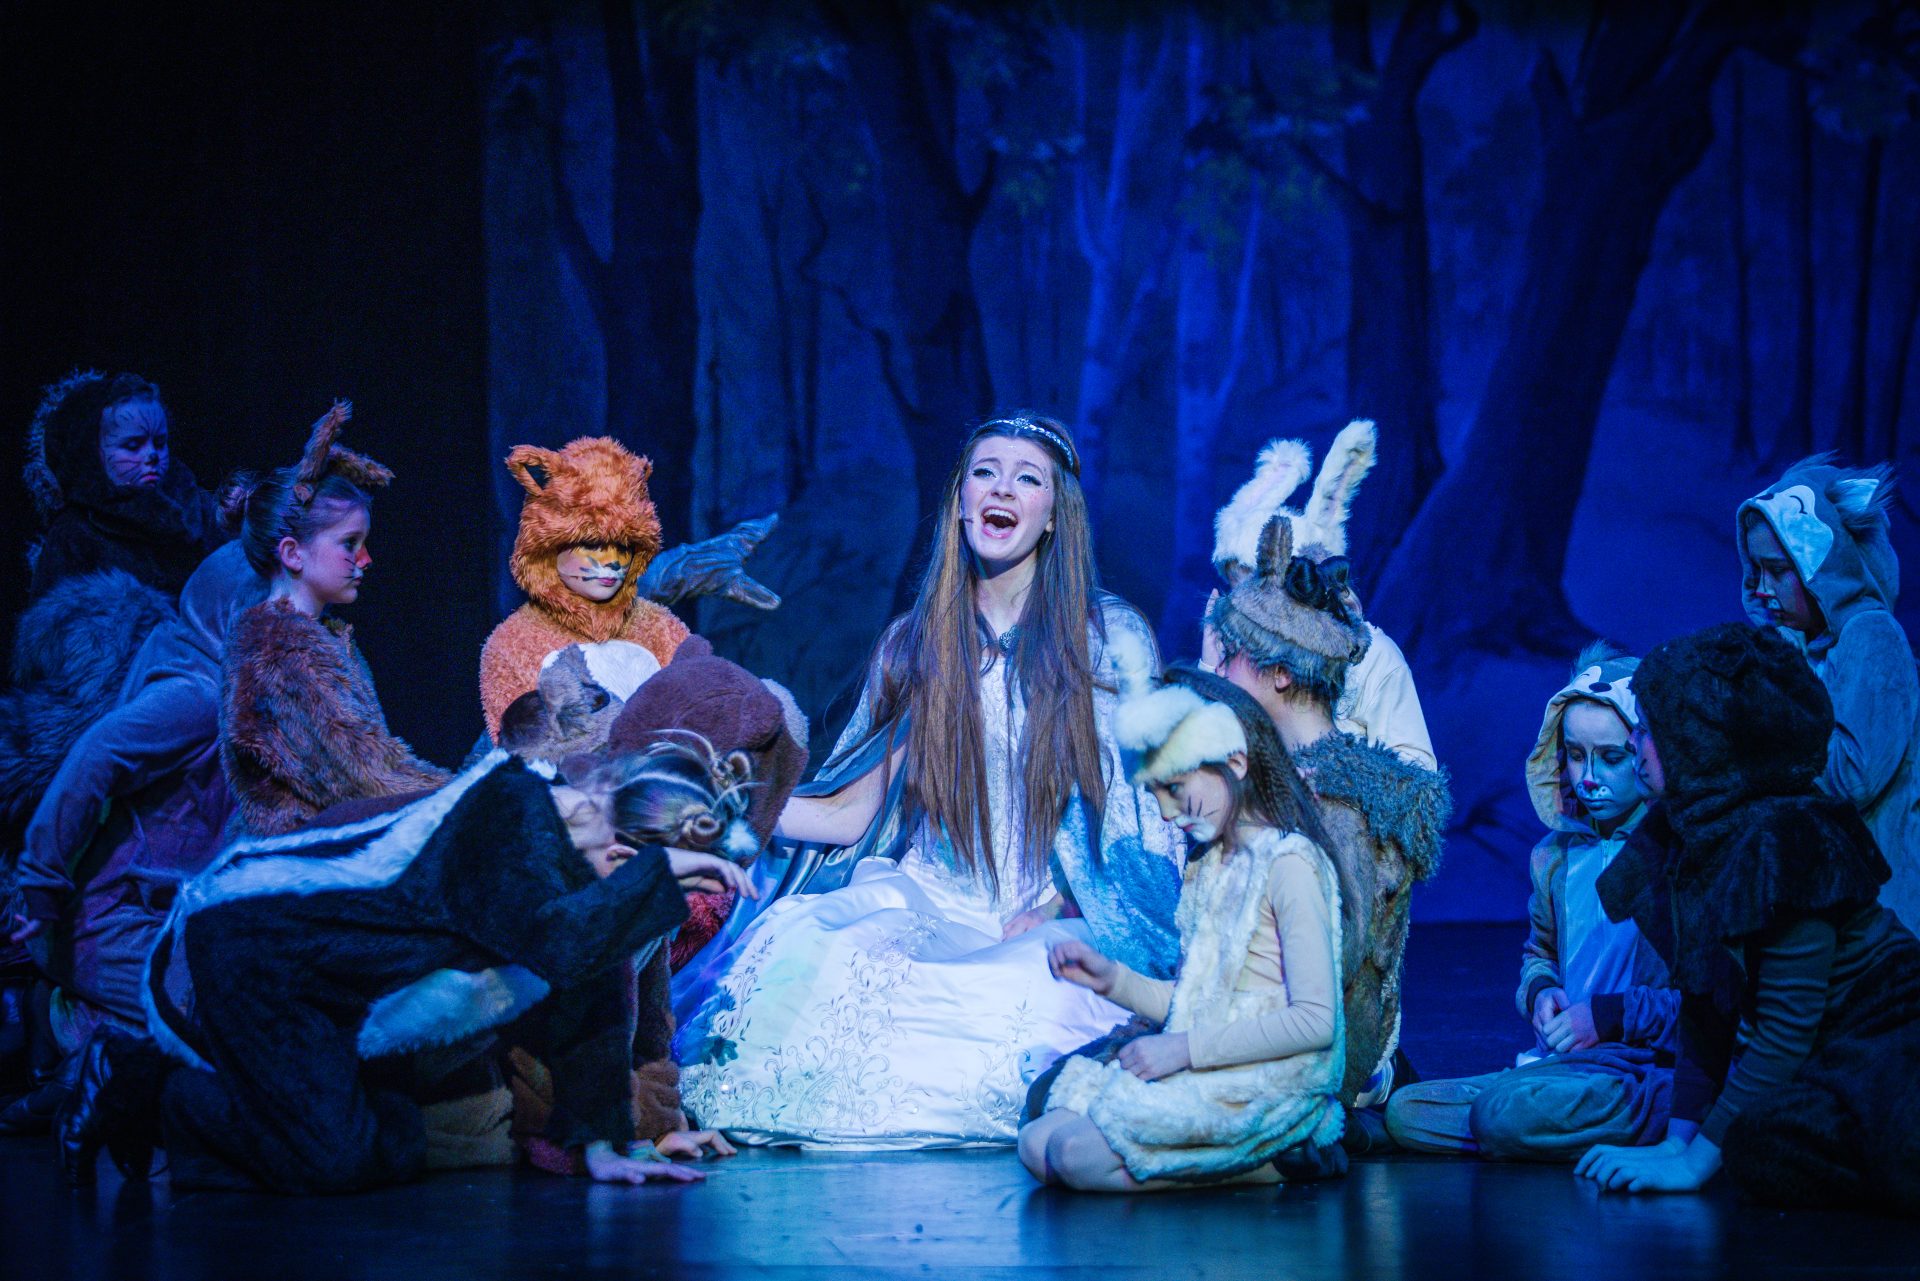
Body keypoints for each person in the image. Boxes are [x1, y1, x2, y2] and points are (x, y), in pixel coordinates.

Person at [674, 413, 1183, 1147]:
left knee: (1042, 985)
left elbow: (1134, 814)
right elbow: (849, 812)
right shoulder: (914, 644)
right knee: (814, 944)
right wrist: (726, 806)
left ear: (1052, 516)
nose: (1001, 488)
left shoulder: (1106, 639)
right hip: (931, 892)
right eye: (985, 472)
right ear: (961, 500)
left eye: (1027, 478)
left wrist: (1064, 901)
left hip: (1046, 903)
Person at [57, 739, 758, 1192]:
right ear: (623, 845)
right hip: (261, 945)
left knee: (378, 1149)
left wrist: (604, 1143)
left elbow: (593, 1000)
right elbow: (559, 943)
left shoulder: (586, 874)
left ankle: (264, 1110)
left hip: (343, 984)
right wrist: (660, 876)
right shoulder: (511, 816)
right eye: (641, 868)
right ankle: (141, 1081)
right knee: (333, 1162)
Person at [1579, 623, 1920, 1214]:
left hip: (1890, 1033)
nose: (1635, 742)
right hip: (1829, 1052)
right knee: (1762, 1143)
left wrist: (1694, 1163)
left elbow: (1788, 1025)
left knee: (1786, 1144)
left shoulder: (1785, 834)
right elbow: (1705, 1005)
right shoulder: (1691, 828)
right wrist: (1677, 1143)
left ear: (1699, 740)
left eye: (1651, 729)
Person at [1020, 654, 1346, 1191]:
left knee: (1074, 1157)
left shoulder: (1290, 863)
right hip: (1212, 1063)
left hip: (1266, 1081)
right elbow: (1195, 1000)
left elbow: (1315, 1021)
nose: (1167, 813)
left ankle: (1280, 1156)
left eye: (1174, 787)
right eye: (1155, 795)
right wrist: (1114, 980)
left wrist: (1182, 1049)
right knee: (1037, 1144)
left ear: (1234, 762)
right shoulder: (1209, 868)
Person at [0, 543, 266, 1134]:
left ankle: (89, 1041)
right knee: (238, 1023)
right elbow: (93, 758)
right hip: (103, 922)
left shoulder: (241, 691)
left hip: (161, 917)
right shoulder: (196, 695)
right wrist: (39, 885)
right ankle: (76, 1036)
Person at [1385, 644, 1677, 1158]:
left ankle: (1615, 1123)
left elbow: (1702, 1003)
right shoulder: (1554, 857)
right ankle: (1531, 1125)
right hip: (1563, 1063)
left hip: (1638, 1067)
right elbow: (1539, 953)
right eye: (1576, 756)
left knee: (1502, 1111)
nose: (1589, 778)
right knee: (1407, 1111)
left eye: (1611, 758)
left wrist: (1608, 1017)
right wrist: (1542, 993)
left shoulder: (1676, 855)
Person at [1210, 513, 1451, 1123]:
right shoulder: (1263, 776)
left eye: (1231, 656)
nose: (1217, 670)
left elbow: (1325, 980)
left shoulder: (1338, 807)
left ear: (1280, 671)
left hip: (1303, 1062)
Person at [218, 403, 449, 837]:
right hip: (304, 851)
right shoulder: (279, 649)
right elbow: (366, 778)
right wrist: (464, 794)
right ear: (293, 554)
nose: (365, 559)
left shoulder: (318, 637)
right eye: (349, 544)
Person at [1738, 457, 1919, 930]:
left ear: (1821, 565)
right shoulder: (1797, 648)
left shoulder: (1871, 635)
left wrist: (1758, 741)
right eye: (1757, 570)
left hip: (1881, 916)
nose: (1762, 588)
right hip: (1822, 901)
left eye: (1778, 570)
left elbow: (1853, 778)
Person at [1208, 420, 1435, 770]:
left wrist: (1329, 766)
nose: (1243, 616)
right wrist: (1211, 672)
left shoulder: (1371, 659)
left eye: (1254, 593)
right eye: (1234, 594)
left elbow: (1416, 773)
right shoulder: (1235, 660)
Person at [479, 437, 693, 741]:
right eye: (593, 544)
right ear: (549, 548)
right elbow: (519, 748)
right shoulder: (512, 644)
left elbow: (697, 723)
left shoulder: (662, 630)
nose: (613, 561)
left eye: (624, 547)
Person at [23, 369, 228, 600]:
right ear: (94, 453)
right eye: (133, 445)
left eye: (160, 443)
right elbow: (57, 617)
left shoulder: (195, 508)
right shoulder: (74, 534)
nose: (152, 455)